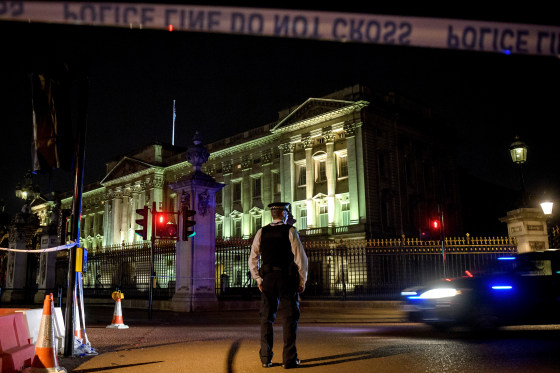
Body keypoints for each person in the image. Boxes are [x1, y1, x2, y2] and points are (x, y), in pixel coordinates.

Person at [249, 202, 308, 369]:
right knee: (290, 318)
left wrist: (258, 279)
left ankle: (266, 358)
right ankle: (289, 359)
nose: (288, 216)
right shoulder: (290, 231)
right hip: (286, 278)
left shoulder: (262, 231)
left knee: (266, 318)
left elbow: (253, 258)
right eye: (287, 213)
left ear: (272, 214)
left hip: (268, 279)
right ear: (284, 214)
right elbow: (300, 259)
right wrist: (302, 280)